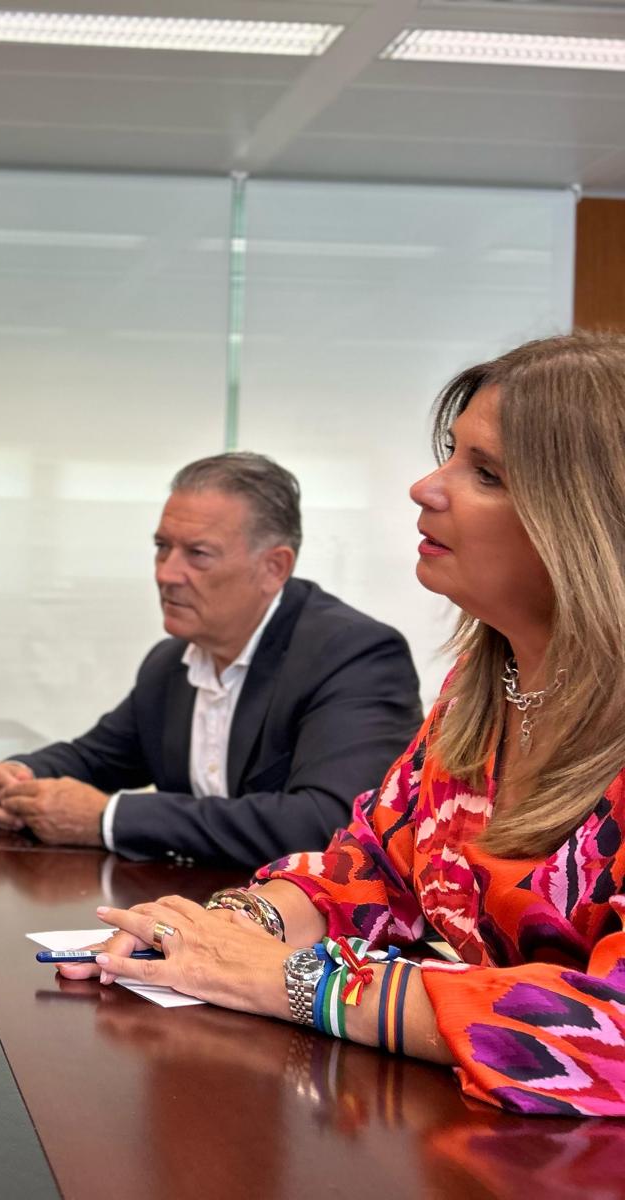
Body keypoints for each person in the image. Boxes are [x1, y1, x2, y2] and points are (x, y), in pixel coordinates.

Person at [67, 332, 625, 1117]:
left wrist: (287, 980)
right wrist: (217, 926)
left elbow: (611, 1031)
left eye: (486, 473)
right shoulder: (482, 692)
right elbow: (366, 870)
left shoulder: (349, 650)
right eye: (449, 455)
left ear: (594, 521)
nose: (425, 487)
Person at [0, 452, 422, 868]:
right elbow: (96, 758)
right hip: (197, 916)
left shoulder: (354, 654)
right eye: (162, 547)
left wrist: (110, 818)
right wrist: (18, 777)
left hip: (314, 941)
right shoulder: (172, 662)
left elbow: (330, 825)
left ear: (274, 568)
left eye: (197, 554)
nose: (166, 573)